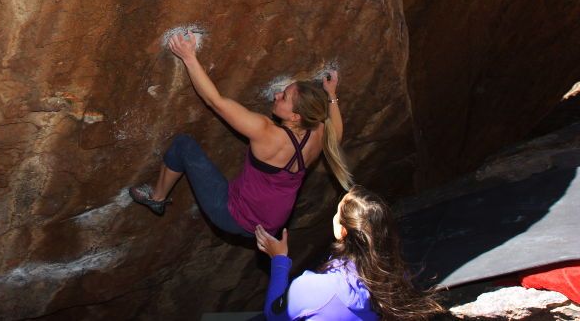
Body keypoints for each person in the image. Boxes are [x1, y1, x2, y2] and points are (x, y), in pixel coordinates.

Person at [128, 29, 353, 237]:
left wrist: (188, 57)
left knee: (183, 145)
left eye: (283, 97)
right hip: (270, 228)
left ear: (296, 117)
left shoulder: (268, 133)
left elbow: (215, 102)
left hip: (233, 218)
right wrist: (331, 94)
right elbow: (338, 135)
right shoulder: (317, 133)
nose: (277, 95)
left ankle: (157, 197)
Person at [255, 186, 443, 320]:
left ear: (342, 231)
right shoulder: (396, 277)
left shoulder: (312, 288)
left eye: (337, 213)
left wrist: (279, 260)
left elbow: (274, 314)